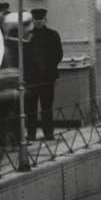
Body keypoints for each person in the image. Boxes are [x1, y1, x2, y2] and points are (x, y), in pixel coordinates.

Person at [24, 8, 63, 141]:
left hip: (47, 78)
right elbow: (24, 57)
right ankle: (31, 134)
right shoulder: (27, 35)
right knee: (31, 108)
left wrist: (48, 67)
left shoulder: (53, 35)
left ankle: (48, 133)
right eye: (36, 20)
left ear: (45, 20)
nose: (38, 22)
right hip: (32, 78)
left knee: (46, 107)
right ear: (33, 20)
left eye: (41, 20)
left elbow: (59, 54)